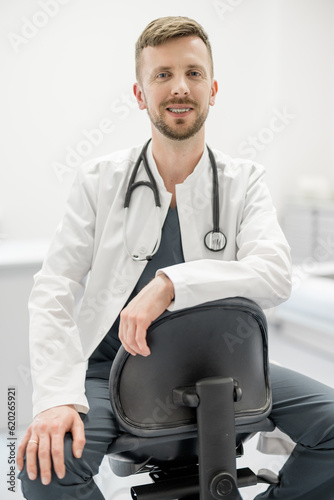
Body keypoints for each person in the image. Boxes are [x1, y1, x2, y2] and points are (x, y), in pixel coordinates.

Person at [17, 16, 334, 500]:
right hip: (111, 373)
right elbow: (53, 288)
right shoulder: (100, 180)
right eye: (162, 74)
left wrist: (169, 284)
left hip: (227, 372)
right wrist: (56, 397)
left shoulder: (243, 181)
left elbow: (272, 274)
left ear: (213, 87)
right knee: (46, 468)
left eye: (193, 72)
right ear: (141, 94)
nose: (180, 87)